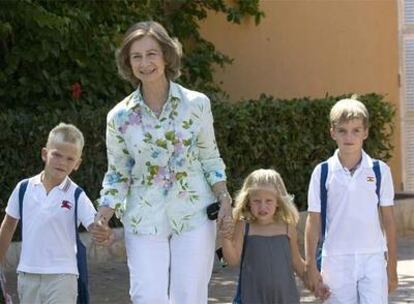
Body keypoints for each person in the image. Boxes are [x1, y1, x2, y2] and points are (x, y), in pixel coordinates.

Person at [94, 21, 231, 304]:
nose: (145, 63)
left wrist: (225, 198)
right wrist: (103, 217)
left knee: (190, 296)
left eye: (151, 54)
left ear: (166, 56)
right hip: (143, 217)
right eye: (137, 56)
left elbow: (210, 157)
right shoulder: (118, 117)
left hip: (193, 213)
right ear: (128, 63)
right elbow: (118, 174)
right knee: (147, 296)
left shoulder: (197, 104)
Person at [0, 122, 109, 304]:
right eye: (57, 155)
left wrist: (102, 232)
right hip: (28, 275)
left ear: (77, 164)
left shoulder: (77, 195)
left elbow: (94, 226)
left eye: (69, 159)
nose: (62, 162)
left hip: (63, 277)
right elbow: (8, 225)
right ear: (45, 154)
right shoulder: (23, 188)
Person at [305, 97, 398, 303]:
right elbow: (313, 222)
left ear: (365, 132)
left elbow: (389, 221)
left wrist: (391, 266)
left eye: (356, 130)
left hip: (373, 258)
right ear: (332, 132)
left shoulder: (379, 170)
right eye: (342, 130)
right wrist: (311, 267)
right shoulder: (323, 172)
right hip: (336, 260)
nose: (349, 137)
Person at [220, 169, 330, 304]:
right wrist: (225, 236)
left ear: (278, 201)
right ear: (248, 201)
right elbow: (232, 260)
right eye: (256, 201)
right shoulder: (244, 227)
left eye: (268, 201)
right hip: (251, 298)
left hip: (285, 299)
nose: (262, 206)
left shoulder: (287, 228)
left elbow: (297, 263)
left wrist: (316, 286)